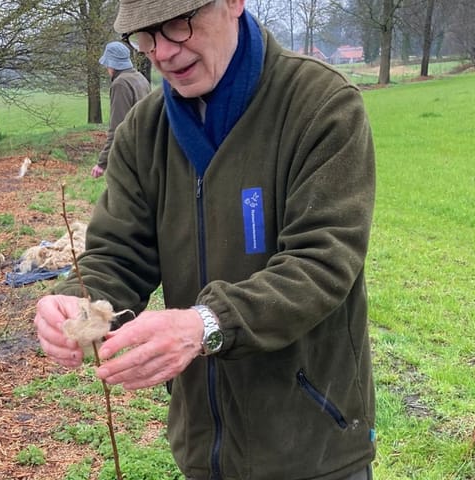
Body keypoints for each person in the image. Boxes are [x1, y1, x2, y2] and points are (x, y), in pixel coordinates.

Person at [35, 0, 376, 479]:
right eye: (145, 36)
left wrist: (206, 324)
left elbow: (321, 262)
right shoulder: (145, 129)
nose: (162, 52)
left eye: (177, 24)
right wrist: (77, 303)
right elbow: (118, 254)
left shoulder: (321, 104)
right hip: (204, 447)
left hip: (311, 444)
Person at [91, 41, 151, 178]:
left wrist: (102, 163)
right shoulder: (139, 78)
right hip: (147, 149)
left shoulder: (121, 84)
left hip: (132, 155)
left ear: (111, 64)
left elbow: (118, 127)